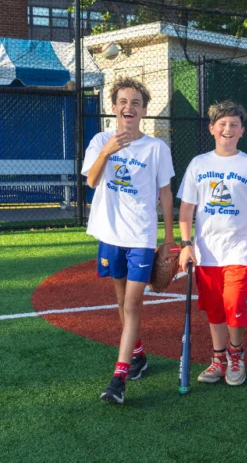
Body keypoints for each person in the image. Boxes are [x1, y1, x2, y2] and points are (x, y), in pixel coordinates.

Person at [82, 76, 175, 404]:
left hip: (141, 236)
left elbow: (165, 193)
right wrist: (108, 150)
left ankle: (118, 378)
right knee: (121, 302)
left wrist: (169, 237)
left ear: (144, 109)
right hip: (110, 234)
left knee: (133, 304)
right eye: (123, 102)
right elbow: (92, 181)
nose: (129, 107)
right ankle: (137, 355)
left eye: (136, 103)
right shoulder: (100, 140)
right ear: (113, 107)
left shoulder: (156, 148)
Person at [177, 101, 247, 387]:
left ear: (242, 131)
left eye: (234, 125)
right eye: (222, 124)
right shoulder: (199, 164)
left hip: (240, 250)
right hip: (207, 252)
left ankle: (236, 354)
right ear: (212, 129)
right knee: (214, 309)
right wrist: (186, 244)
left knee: (233, 304)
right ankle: (218, 358)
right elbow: (186, 209)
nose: (228, 129)